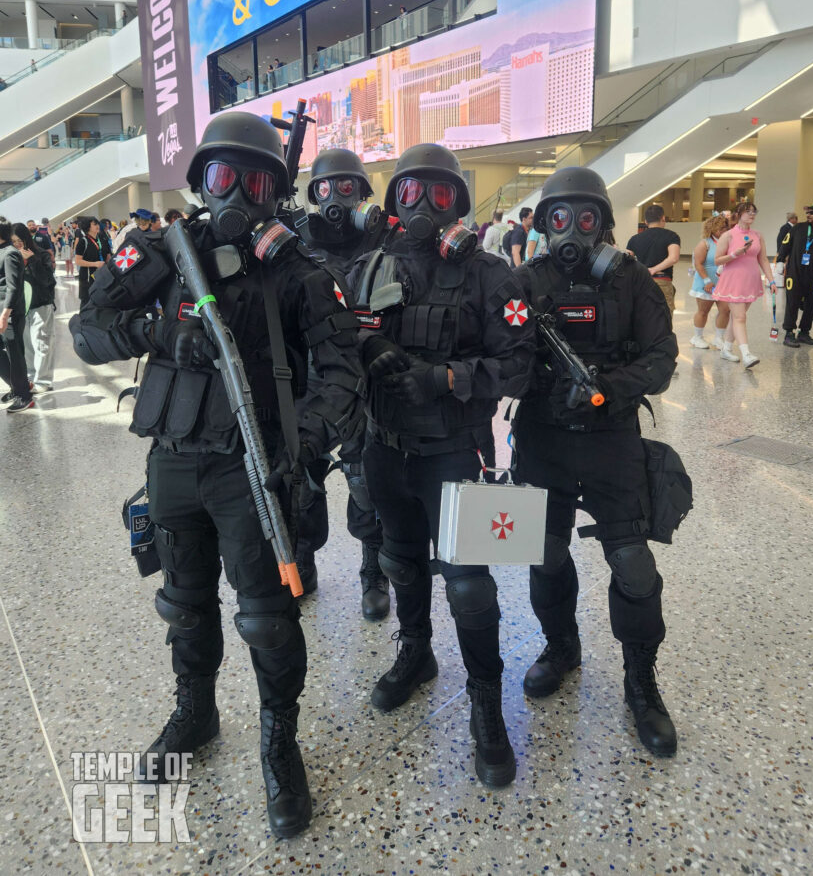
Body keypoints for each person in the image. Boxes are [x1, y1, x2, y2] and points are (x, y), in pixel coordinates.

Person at [70, 112, 365, 839]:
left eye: (255, 179)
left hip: (251, 469)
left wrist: (308, 445)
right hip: (172, 460)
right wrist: (157, 331)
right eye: (223, 176)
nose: (237, 192)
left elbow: (342, 372)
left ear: (275, 192)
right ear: (201, 181)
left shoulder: (298, 272)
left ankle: (278, 741)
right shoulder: (165, 253)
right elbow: (88, 328)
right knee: (184, 602)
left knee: (266, 617)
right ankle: (196, 712)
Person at [348, 143, 535, 787]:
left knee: (470, 583)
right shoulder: (372, 265)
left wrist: (445, 377)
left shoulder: (491, 275)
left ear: (459, 201)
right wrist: (370, 348)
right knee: (399, 559)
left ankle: (488, 707)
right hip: (386, 448)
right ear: (393, 201)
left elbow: (519, 364)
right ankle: (416, 654)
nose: (423, 205)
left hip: (463, 451)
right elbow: (342, 331)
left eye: (439, 193)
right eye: (408, 192)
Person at [512, 168, 679, 756]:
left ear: (604, 225)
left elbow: (663, 359)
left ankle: (641, 683)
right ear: (543, 221)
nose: (572, 230)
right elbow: (499, 354)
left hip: (612, 438)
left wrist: (607, 386)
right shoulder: (524, 280)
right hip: (543, 441)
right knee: (546, 553)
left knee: (633, 566)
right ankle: (562, 647)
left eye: (586, 218)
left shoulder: (632, 280)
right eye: (560, 217)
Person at [294, 148, 392, 619]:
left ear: (363, 192)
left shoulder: (385, 239)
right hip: (310, 377)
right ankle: (304, 561)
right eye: (327, 188)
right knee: (302, 475)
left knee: (365, 479)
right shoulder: (296, 240)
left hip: (366, 378)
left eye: (347, 187)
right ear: (314, 195)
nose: (337, 197)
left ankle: (373, 570)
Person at [712, 201, 776, 368]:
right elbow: (717, 260)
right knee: (740, 317)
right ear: (739, 214)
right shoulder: (729, 235)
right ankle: (746, 354)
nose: (752, 215)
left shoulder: (758, 235)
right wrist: (735, 254)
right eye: (748, 212)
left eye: (754, 212)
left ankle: (726, 349)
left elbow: (762, 259)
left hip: (751, 280)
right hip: (734, 280)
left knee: (736, 317)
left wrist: (771, 279)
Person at [11, 223, 56, 391]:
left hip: (41, 304)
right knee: (27, 345)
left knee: (42, 343)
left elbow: (47, 281)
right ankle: (31, 377)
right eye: (13, 241)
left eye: (19, 240)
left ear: (26, 239)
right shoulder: (11, 257)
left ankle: (43, 381)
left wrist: (31, 261)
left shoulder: (41, 255)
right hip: (21, 307)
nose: (17, 244)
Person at [0, 219, 33, 413]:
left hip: (10, 313)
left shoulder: (11, 253)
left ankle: (24, 395)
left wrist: (5, 315)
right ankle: (16, 386)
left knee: (15, 354)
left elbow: (14, 287)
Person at [778, 200, 813, 347]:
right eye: (807, 212)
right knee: (792, 303)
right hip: (795, 272)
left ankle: (804, 332)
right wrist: (780, 261)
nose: (808, 215)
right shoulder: (798, 228)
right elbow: (785, 244)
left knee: (811, 304)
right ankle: (789, 333)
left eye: (812, 213)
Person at [626, 205, 680, 315]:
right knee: (664, 318)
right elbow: (673, 258)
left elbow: (627, 259)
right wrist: (654, 269)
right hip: (662, 281)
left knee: (643, 316)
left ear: (646, 221)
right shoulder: (671, 236)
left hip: (641, 282)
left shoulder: (634, 239)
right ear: (663, 218)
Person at [689, 215, 728, 349]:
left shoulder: (728, 242)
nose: (723, 231)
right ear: (712, 229)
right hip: (706, 283)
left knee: (725, 310)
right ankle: (697, 337)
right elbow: (698, 264)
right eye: (720, 228)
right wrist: (707, 281)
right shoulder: (704, 243)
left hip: (723, 283)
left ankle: (719, 338)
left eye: (725, 228)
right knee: (703, 311)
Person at [73, 217, 106, 306]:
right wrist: (95, 264)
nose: (97, 226)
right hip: (87, 277)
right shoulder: (83, 241)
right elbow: (77, 261)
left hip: (98, 275)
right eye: (94, 224)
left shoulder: (99, 239)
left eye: (97, 224)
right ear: (88, 227)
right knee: (86, 303)